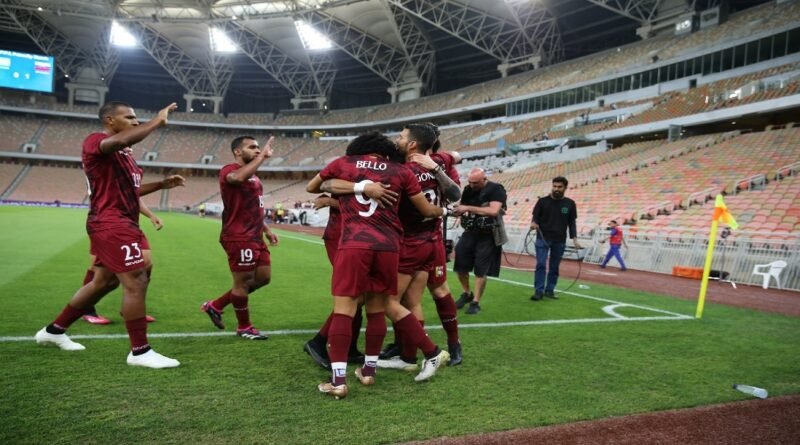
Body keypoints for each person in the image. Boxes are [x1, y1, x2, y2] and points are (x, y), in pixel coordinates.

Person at [34, 101, 184, 369]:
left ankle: (54, 331)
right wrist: (157, 121)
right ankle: (140, 352)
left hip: (124, 221)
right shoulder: (97, 141)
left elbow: (131, 192)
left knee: (103, 282)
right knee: (136, 279)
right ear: (109, 121)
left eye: (137, 117)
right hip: (110, 222)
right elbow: (118, 142)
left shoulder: (126, 157)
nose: (135, 121)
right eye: (129, 117)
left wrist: (162, 184)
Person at [306, 131, 448, 399]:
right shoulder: (401, 171)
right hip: (389, 246)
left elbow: (313, 187)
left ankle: (338, 381)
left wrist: (356, 186)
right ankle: (368, 372)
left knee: (344, 308)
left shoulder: (344, 164)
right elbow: (428, 211)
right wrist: (450, 210)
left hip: (354, 244)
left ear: (358, 149)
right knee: (377, 307)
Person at [379, 123, 464, 367]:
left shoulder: (415, 167)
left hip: (418, 240)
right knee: (411, 299)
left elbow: (456, 194)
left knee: (431, 292)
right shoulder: (437, 159)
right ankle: (406, 348)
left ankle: (447, 345)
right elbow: (457, 155)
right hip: (426, 238)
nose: (398, 138)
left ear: (414, 142)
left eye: (402, 135)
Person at [200, 135, 278, 340]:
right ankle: (244, 327)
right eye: (252, 147)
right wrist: (262, 157)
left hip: (255, 236)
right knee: (242, 283)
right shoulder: (229, 170)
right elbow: (236, 178)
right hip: (238, 236)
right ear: (238, 151)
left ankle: (215, 306)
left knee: (263, 278)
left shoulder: (256, 178)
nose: (257, 150)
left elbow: (254, 209)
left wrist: (267, 230)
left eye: (258, 147)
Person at [82, 199, 160, 325]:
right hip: (105, 224)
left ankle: (133, 309)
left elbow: (135, 194)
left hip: (130, 225)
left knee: (146, 264)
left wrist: (151, 215)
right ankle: (87, 310)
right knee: (97, 268)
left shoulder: (132, 180)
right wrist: (160, 185)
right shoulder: (108, 180)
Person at [452, 168, 508, 315]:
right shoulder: (468, 189)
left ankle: (476, 302)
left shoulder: (496, 189)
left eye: (475, 183)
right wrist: (457, 210)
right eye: (470, 182)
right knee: (460, 265)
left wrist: (468, 208)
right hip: (470, 231)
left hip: (488, 234)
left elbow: (493, 211)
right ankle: (467, 293)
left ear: (484, 179)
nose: (472, 185)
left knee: (480, 268)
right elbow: (463, 207)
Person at [530, 176, 582, 301]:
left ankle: (550, 290)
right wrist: (533, 223)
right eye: (554, 186)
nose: (556, 189)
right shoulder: (542, 201)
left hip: (560, 240)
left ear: (565, 188)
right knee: (541, 264)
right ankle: (538, 291)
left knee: (554, 267)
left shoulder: (570, 204)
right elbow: (535, 217)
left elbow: (572, 223)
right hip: (542, 238)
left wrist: (574, 239)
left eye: (559, 187)